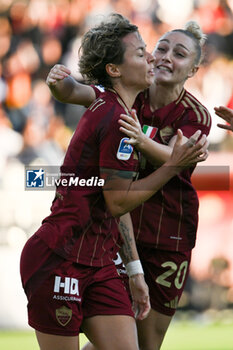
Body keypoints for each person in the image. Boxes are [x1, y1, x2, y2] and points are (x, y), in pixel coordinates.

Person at [46, 19, 210, 350]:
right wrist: (58, 85)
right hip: (120, 227)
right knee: (119, 336)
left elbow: (181, 156)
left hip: (169, 234)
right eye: (160, 48)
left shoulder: (196, 114)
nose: (163, 57)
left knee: (146, 343)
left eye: (178, 54)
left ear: (193, 70)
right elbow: (78, 91)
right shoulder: (128, 92)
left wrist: (140, 140)